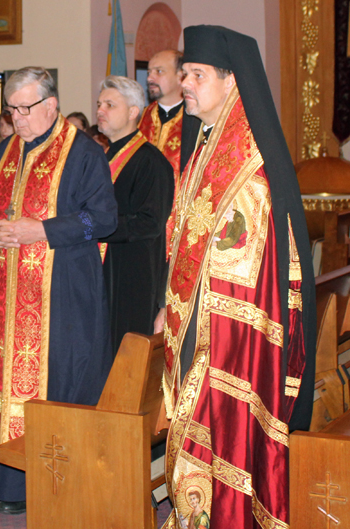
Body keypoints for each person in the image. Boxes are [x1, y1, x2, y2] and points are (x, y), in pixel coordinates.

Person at [155, 26, 316, 528]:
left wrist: (197, 324)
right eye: (184, 73)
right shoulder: (204, 144)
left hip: (227, 340)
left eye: (196, 75)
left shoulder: (249, 164)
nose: (185, 82)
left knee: (217, 434)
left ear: (230, 82)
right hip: (189, 322)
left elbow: (244, 273)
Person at [0, 67, 117, 515]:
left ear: (51, 106)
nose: (17, 118)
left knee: (60, 386)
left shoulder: (82, 154)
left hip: (64, 298)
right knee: (8, 388)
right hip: (11, 300)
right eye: (11, 110)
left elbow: (104, 219)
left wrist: (41, 230)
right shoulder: (4, 152)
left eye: (25, 108)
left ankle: (62, 483)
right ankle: (13, 485)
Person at [97, 75, 174, 355]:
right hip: (102, 272)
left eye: (109, 104)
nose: (100, 111)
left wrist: (93, 226)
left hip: (132, 279)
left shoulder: (151, 162)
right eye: (99, 104)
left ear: (132, 112)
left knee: (122, 358)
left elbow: (149, 223)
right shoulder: (102, 158)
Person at [138, 50, 184, 256]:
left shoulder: (194, 119)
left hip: (180, 226)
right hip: (143, 225)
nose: (149, 78)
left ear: (180, 76)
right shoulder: (141, 118)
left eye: (159, 71)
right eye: (149, 72)